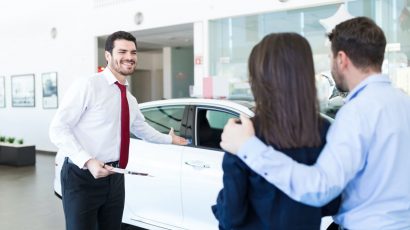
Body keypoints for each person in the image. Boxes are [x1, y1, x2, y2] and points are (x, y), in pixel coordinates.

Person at [220, 17, 410, 229]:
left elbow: (320, 188)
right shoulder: (404, 104)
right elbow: (332, 202)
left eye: (329, 58)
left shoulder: (356, 113)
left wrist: (248, 147)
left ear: (341, 59)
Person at [49, 31, 188, 230]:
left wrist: (169, 139)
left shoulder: (129, 99)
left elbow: (142, 130)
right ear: (108, 55)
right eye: (122, 51)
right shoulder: (88, 85)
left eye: (133, 52)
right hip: (82, 176)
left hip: (115, 175)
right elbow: (58, 129)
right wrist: (88, 161)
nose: (129, 57)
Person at [212, 33, 341, 229]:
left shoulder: (244, 134)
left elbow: (231, 217)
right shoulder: (324, 131)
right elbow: (332, 203)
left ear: (259, 79)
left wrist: (220, 205)